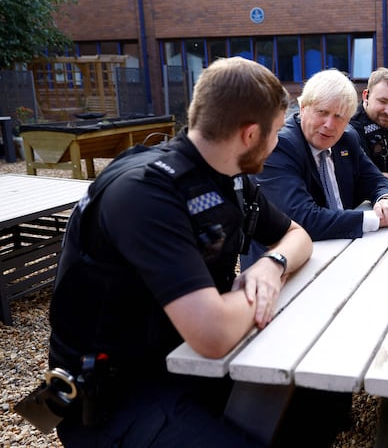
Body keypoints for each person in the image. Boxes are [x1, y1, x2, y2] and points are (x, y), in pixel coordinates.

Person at [45, 57, 313, 446]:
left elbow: (296, 235)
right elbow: (215, 333)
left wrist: (271, 266)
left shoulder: (227, 177)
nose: (278, 144)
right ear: (250, 134)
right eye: (276, 134)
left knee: (312, 403)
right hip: (115, 400)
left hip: (184, 362)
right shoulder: (145, 192)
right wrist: (249, 296)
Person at [241, 68, 388, 251]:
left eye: (339, 116)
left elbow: (376, 180)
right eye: (322, 112)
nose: (329, 125)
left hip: (344, 247)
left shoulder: (347, 138)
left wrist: (386, 200)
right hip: (282, 265)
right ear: (303, 108)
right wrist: (378, 219)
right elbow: (303, 218)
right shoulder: (280, 146)